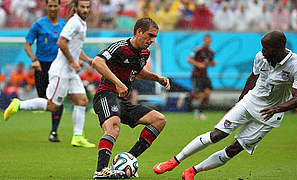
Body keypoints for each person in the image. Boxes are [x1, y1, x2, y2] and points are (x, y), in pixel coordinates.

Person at [153, 31, 297, 180]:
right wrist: (240, 101)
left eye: (266, 48)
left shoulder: (296, 66)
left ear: (279, 48)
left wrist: (276, 109)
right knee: (216, 134)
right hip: (250, 102)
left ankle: (192, 171)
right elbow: (253, 77)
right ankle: (174, 161)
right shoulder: (261, 57)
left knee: (233, 149)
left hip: (269, 116)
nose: (262, 51)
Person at [4, 0, 95, 148]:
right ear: (76, 8)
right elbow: (61, 42)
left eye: (87, 7)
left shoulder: (81, 23)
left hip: (70, 72)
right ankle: (18, 104)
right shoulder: (74, 23)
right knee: (53, 106)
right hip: (61, 72)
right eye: (82, 7)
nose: (85, 10)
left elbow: (75, 47)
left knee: (82, 100)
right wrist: (73, 61)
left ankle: (77, 137)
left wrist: (88, 60)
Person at [91, 17, 170, 179]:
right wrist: (118, 83)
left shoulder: (144, 53)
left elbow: (138, 72)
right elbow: (97, 62)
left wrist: (157, 78)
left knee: (159, 120)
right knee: (114, 126)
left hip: (122, 100)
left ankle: (127, 160)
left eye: (155, 37)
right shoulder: (120, 47)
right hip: (106, 94)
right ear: (138, 32)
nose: (152, 40)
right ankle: (101, 170)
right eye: (150, 35)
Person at [24, 0, 66, 142]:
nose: (53, 8)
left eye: (55, 5)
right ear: (46, 7)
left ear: (59, 7)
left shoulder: (64, 25)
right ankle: (19, 106)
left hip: (59, 66)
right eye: (50, 5)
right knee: (44, 99)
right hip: (42, 66)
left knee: (57, 99)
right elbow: (27, 45)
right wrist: (34, 59)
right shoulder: (39, 24)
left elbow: (70, 44)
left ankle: (54, 131)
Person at [187, 34, 217, 120]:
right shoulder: (198, 50)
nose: (208, 42)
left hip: (205, 75)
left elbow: (209, 63)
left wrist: (213, 63)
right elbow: (189, 59)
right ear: (204, 41)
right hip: (196, 75)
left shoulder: (211, 53)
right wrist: (198, 64)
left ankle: (199, 113)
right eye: (206, 41)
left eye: (209, 41)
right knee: (199, 95)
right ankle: (186, 98)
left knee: (207, 93)